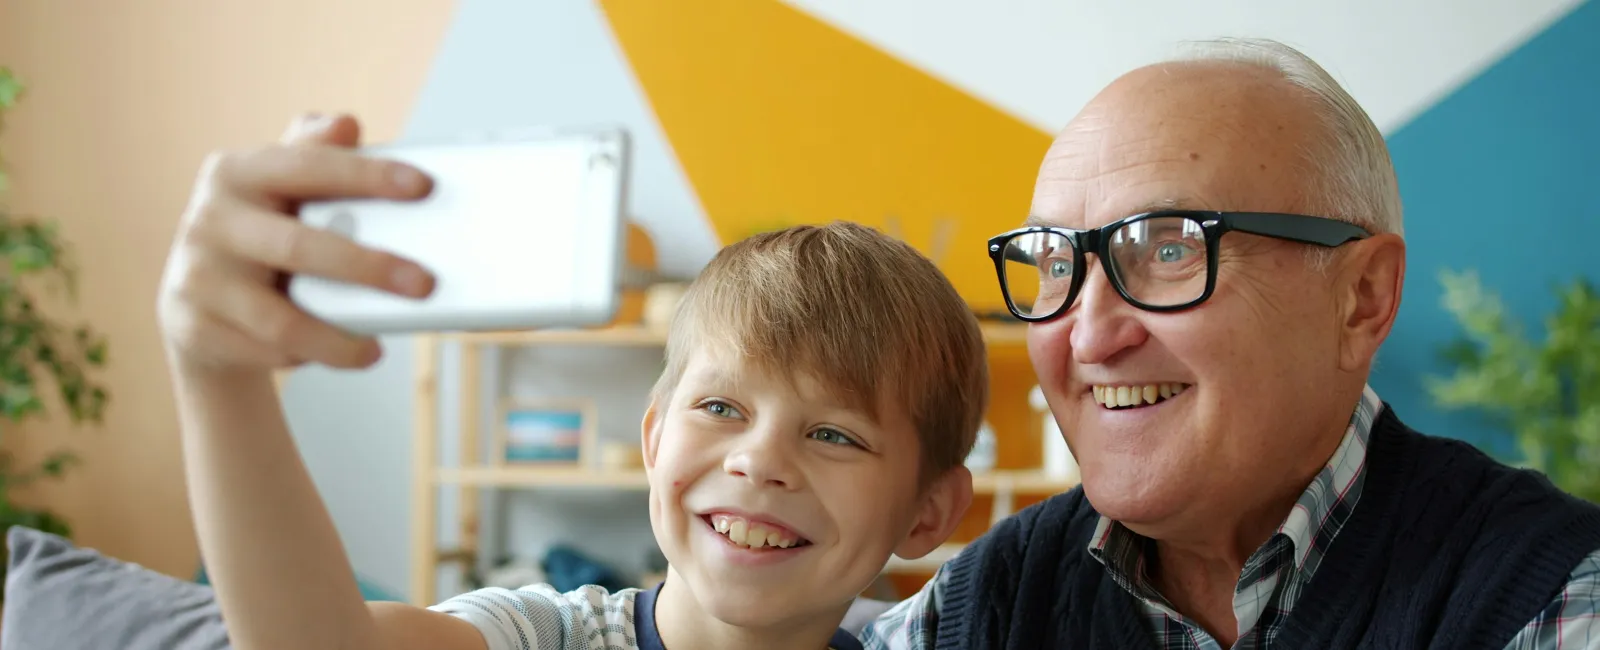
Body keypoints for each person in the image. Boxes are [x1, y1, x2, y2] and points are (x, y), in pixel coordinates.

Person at [861, 37, 1600, 649]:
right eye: (1057, 264)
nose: (1089, 333)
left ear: (1361, 299)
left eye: (1170, 250)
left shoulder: (1548, 599)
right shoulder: (989, 601)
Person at [156, 113, 988, 650]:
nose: (758, 461)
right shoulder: (541, 634)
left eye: (834, 433)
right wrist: (217, 379)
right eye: (721, 407)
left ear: (928, 512)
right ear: (655, 434)